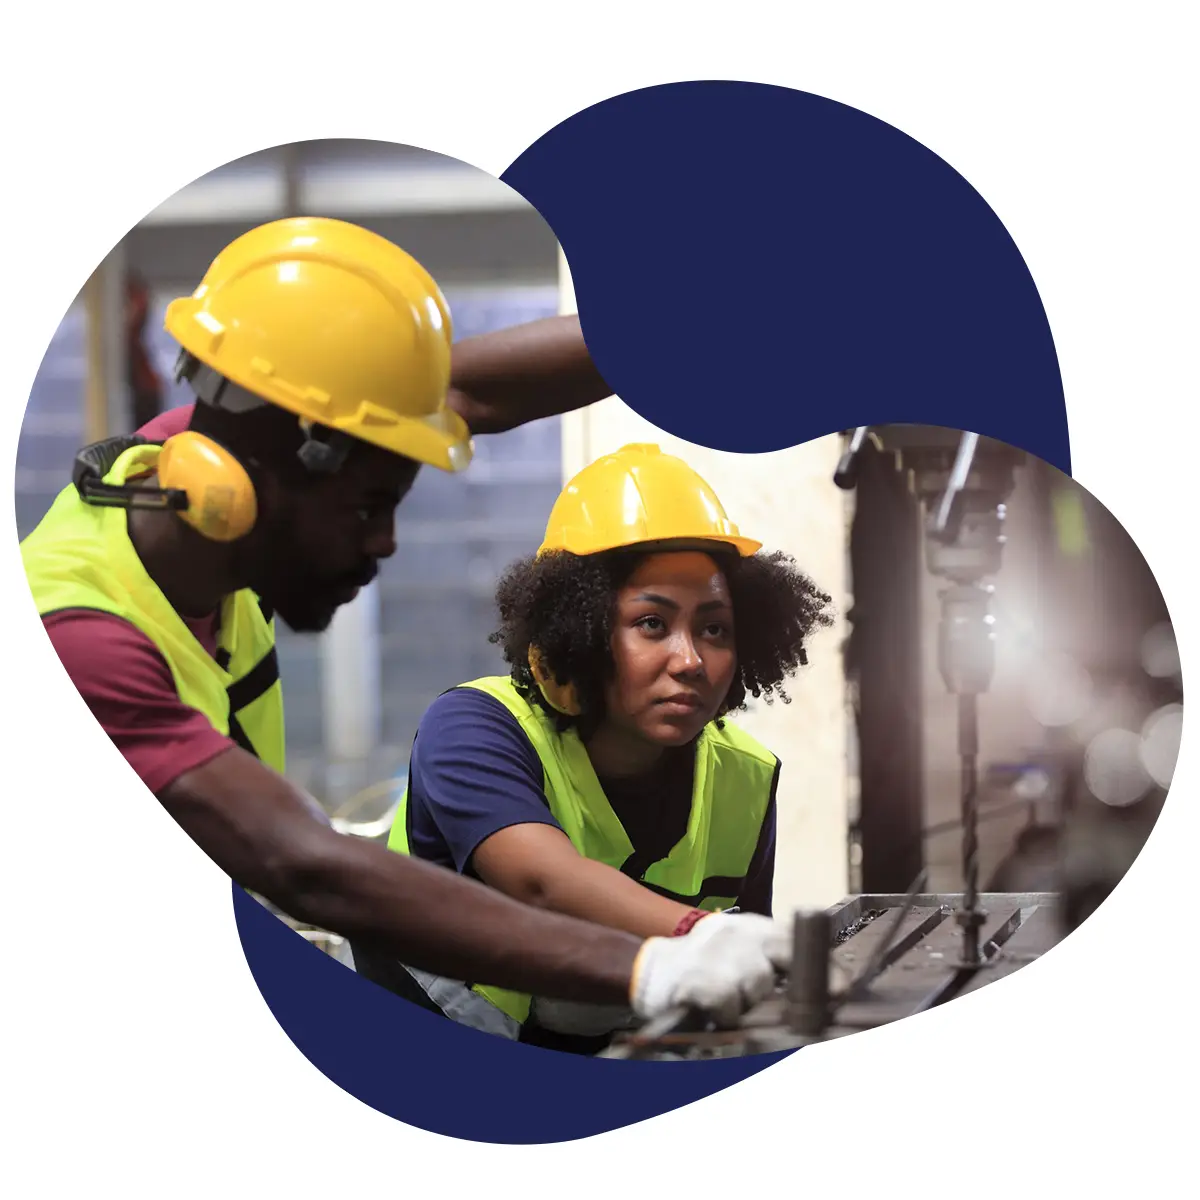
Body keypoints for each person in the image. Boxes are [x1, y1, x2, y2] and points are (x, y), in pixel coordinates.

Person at [20, 215, 797, 1032]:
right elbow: (302, 864)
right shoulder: (85, 639)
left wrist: (725, 310)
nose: (385, 541)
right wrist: (651, 963)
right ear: (258, 481)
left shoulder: (206, 466)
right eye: (368, 506)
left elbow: (461, 393)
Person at [373, 442, 835, 1053]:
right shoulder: (473, 729)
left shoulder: (745, 776)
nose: (691, 660)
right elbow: (541, 881)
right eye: (652, 624)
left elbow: (731, 988)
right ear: (579, 631)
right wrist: (699, 932)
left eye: (714, 628)